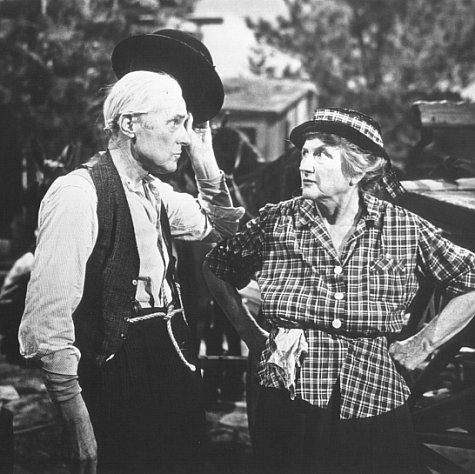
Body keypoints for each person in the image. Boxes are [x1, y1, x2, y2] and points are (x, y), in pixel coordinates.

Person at [19, 30, 244, 474]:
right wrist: (76, 424)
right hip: (115, 371)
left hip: (170, 362)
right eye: (176, 124)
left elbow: (221, 228)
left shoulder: (156, 193)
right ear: (129, 125)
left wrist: (208, 169)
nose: (186, 138)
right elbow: (47, 324)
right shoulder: (78, 195)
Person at [203, 108, 475, 474]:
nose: (305, 165)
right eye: (304, 152)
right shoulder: (276, 221)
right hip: (288, 404)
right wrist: (252, 336)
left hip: (374, 402)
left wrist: (422, 343)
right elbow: (216, 269)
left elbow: (470, 282)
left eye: (321, 154)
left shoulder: (403, 228)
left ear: (359, 169)